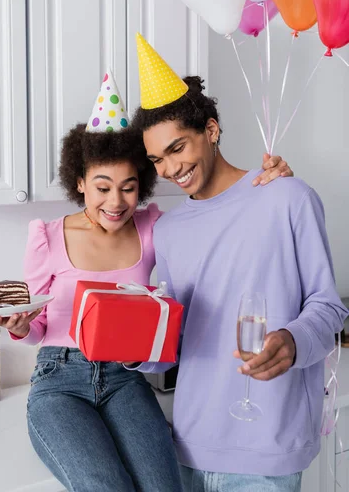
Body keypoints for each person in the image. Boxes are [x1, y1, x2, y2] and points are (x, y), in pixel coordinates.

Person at [0, 69, 290, 492]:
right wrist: (19, 325)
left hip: (126, 378)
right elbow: (36, 326)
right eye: (102, 187)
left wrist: (270, 183)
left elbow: (216, 224)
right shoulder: (47, 236)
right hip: (59, 382)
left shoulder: (153, 228)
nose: (115, 201)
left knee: (165, 486)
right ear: (80, 182)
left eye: (128, 187)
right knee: (106, 485)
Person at [129, 34, 349, 492]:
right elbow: (174, 339)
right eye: (156, 160)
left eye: (177, 148)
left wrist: (292, 340)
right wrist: (134, 350)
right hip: (188, 441)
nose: (169, 170)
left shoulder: (287, 197)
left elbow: (329, 309)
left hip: (267, 449)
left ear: (211, 130)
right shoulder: (168, 231)